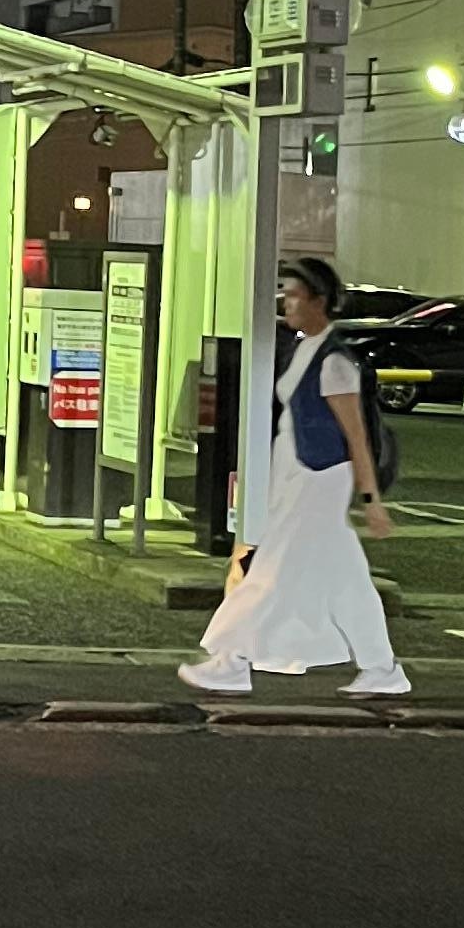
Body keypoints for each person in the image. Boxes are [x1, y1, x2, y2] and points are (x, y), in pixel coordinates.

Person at [178, 254, 410, 698]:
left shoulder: (335, 362)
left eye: (294, 295)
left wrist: (371, 499)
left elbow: (356, 436)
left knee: (270, 571)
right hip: (298, 477)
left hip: (318, 480)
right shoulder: (306, 348)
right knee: (346, 580)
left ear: (319, 301)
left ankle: (231, 661)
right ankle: (381, 668)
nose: (285, 302)